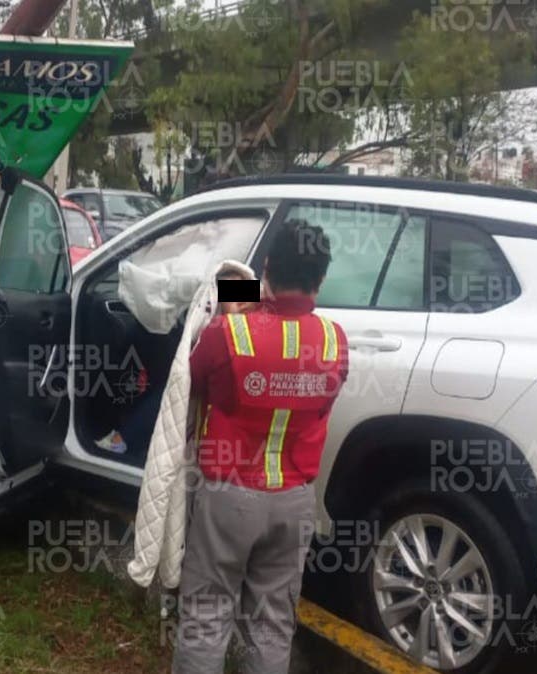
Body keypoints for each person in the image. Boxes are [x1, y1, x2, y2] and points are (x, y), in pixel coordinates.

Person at [173, 220, 349, 674]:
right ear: (321, 279)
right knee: (271, 624)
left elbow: (188, 383)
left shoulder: (228, 334)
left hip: (228, 497)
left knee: (206, 616)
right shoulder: (335, 342)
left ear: (266, 268)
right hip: (294, 503)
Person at [96, 272, 258, 455]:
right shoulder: (255, 278)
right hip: (227, 352)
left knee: (178, 380)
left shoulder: (258, 285)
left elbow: (246, 310)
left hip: (235, 366)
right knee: (148, 338)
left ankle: (124, 438)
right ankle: (134, 428)